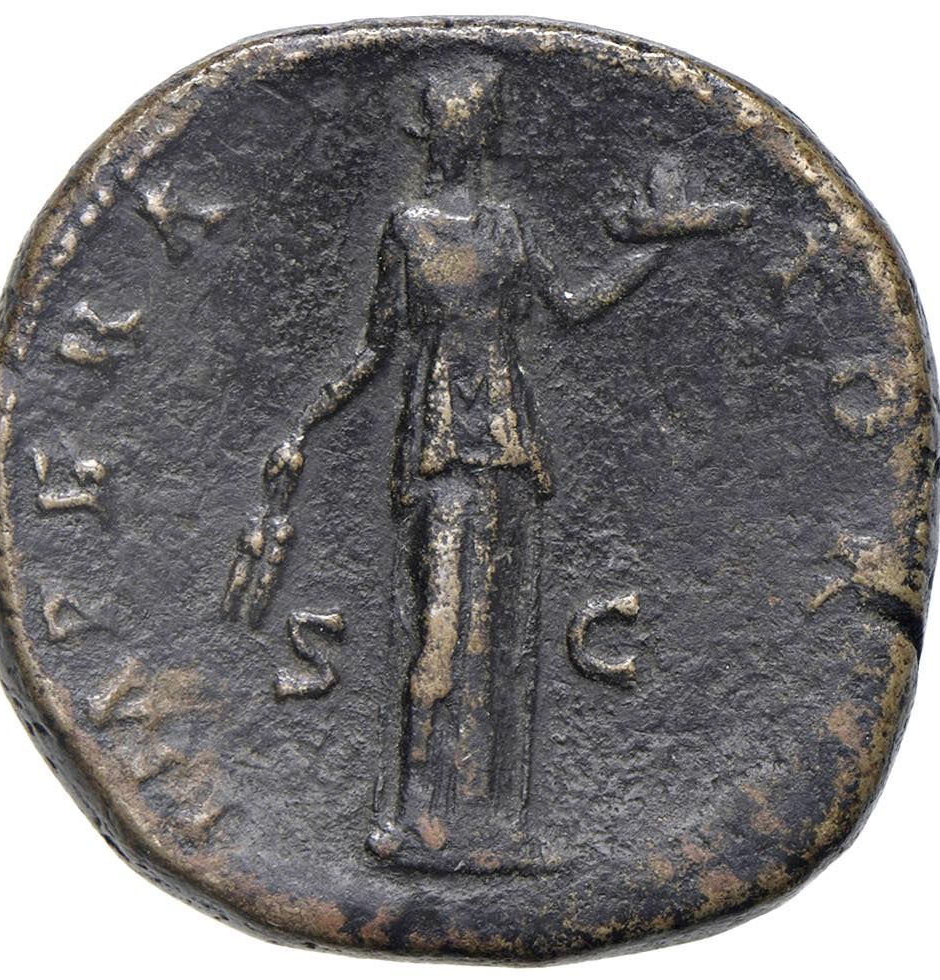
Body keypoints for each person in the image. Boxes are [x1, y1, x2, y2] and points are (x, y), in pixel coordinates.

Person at [224, 59, 749, 871]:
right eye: (454, 122)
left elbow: (570, 306)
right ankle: (408, 822)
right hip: (438, 445)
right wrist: (308, 420)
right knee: (439, 631)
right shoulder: (406, 229)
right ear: (441, 133)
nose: (462, 136)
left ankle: (497, 830)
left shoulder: (507, 226)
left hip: (507, 444)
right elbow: (374, 349)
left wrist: (660, 247)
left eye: (470, 123)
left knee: (502, 636)